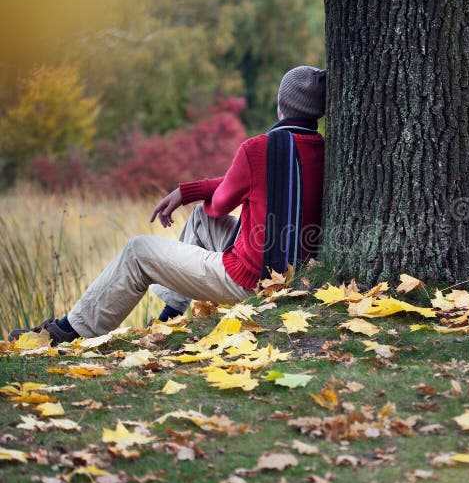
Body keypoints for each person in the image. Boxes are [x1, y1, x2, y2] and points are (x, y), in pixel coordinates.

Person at [9, 66, 326, 342]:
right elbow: (236, 193)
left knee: (138, 251)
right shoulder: (326, 150)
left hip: (248, 280)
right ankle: (170, 318)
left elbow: (221, 203)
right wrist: (188, 193)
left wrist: (202, 192)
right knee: (201, 216)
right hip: (299, 273)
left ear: (280, 105)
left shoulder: (258, 149)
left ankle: (68, 332)